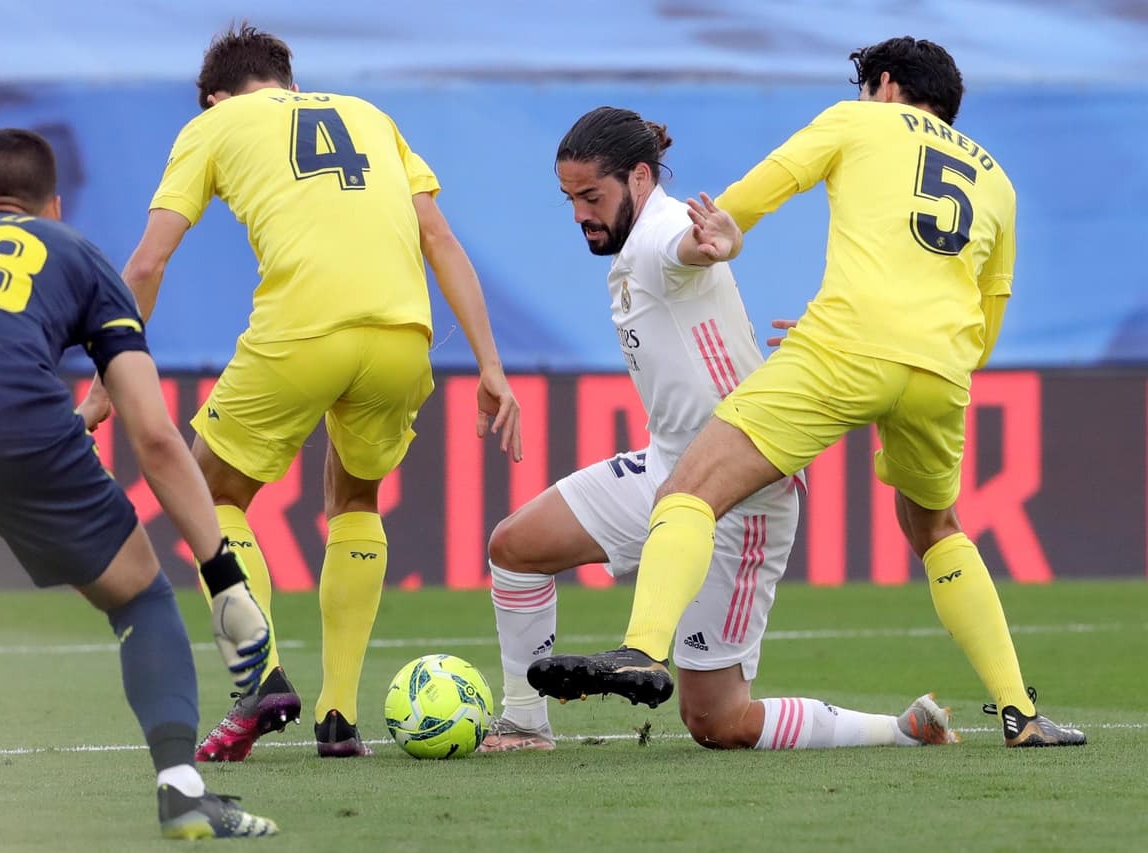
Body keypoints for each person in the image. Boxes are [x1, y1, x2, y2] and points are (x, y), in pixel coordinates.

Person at [527, 38, 1086, 748]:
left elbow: (772, 182)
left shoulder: (859, 121)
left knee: (689, 490)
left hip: (844, 347)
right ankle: (1020, 712)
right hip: (943, 368)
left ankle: (641, 646)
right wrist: (929, 362)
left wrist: (721, 230)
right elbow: (990, 309)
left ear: (883, 86)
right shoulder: (997, 181)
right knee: (937, 529)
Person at [80, 24, 522, 761]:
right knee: (354, 499)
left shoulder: (213, 122)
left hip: (302, 329)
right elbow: (439, 237)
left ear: (217, 94)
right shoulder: (370, 115)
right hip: (402, 334)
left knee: (210, 488)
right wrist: (490, 363)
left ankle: (262, 677)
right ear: (287, 80)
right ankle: (339, 717)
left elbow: (151, 260)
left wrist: (107, 372)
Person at [482, 107, 956, 753]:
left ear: (640, 178)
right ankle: (523, 722)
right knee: (515, 547)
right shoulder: (637, 242)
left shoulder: (663, 231)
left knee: (718, 721)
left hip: (740, 491)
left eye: (591, 196)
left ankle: (901, 731)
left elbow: (688, 247)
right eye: (569, 199)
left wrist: (715, 245)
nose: (579, 214)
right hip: (670, 467)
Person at [0, 128, 282, 838]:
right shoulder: (80, 255)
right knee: (140, 596)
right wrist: (223, 572)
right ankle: (182, 790)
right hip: (22, 426)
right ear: (51, 205)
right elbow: (153, 433)